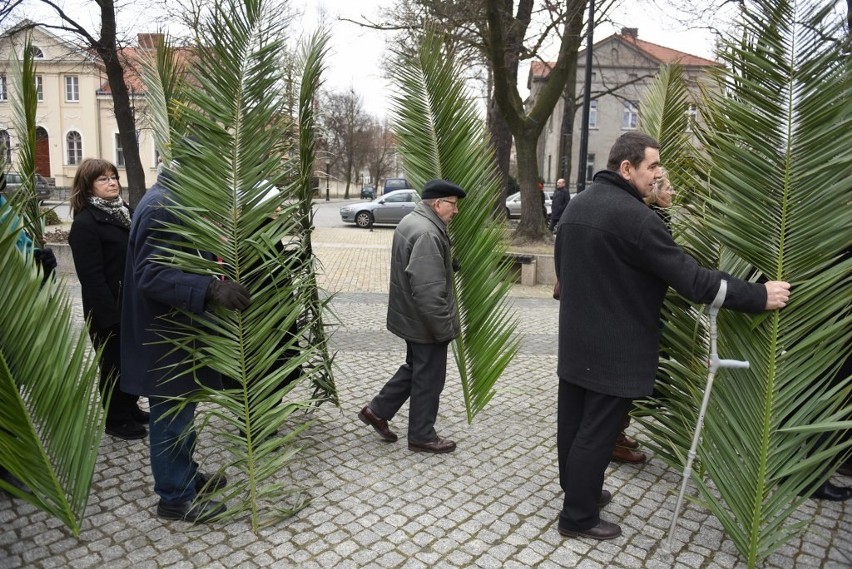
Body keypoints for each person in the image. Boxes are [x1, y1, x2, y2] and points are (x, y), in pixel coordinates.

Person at [553, 132, 791, 540]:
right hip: (617, 345)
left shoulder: (579, 205)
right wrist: (757, 295)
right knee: (598, 432)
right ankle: (578, 517)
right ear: (626, 169)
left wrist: (657, 208)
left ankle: (581, 493)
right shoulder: (635, 218)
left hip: (576, 338)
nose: (659, 174)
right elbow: (692, 280)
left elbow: (604, 257)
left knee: (573, 425)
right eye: (652, 167)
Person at [121, 167, 251, 522]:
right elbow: (150, 274)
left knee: (183, 414)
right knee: (171, 417)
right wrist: (209, 289)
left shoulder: (177, 199)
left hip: (178, 334)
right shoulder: (162, 206)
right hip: (166, 338)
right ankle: (175, 497)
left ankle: (186, 475)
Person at [358, 179, 466, 454]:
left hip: (410, 317)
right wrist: (444, 330)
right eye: (453, 205)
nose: (456, 212)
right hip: (425, 322)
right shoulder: (428, 233)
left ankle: (377, 410)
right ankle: (421, 435)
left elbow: (417, 267)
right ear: (437, 203)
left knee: (416, 368)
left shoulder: (412, 220)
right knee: (429, 378)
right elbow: (428, 292)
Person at [68, 159, 148, 440]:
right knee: (113, 365)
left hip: (131, 304)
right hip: (108, 308)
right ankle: (116, 419)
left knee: (131, 359)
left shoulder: (125, 212)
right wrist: (110, 317)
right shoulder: (86, 223)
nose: (113, 182)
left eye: (113, 177)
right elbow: (91, 278)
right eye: (103, 179)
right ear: (88, 186)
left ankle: (130, 406)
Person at [610, 170, 677, 464]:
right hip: (641, 312)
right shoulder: (649, 219)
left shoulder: (657, 217)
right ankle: (614, 437)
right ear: (654, 192)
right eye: (668, 189)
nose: (672, 194)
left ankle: (617, 433)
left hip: (649, 309)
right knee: (630, 380)